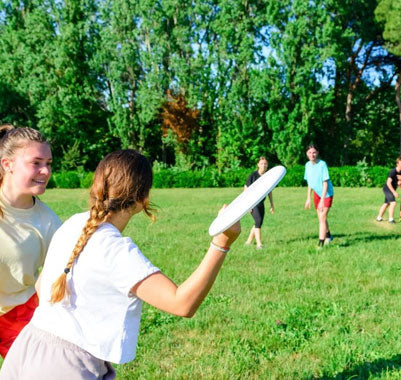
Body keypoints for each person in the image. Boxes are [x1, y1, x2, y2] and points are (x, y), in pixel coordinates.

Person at [0, 149, 241, 379]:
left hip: (26, 347)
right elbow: (182, 304)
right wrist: (221, 242)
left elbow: (43, 286)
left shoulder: (73, 223)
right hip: (66, 368)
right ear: (142, 199)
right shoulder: (116, 250)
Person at [0, 124, 61, 359]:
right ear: (8, 164)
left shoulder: (49, 223)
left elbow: (62, 277)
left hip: (19, 314)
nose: (45, 171)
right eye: (36, 163)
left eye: (48, 164)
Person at [304, 144, 334, 249]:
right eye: (310, 152)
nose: (312, 154)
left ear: (317, 153)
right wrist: (308, 198)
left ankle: (320, 244)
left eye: (314, 152)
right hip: (317, 193)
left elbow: (325, 183)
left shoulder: (322, 164)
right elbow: (310, 183)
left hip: (326, 194)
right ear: (307, 154)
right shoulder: (307, 165)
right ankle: (329, 236)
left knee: (322, 217)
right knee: (321, 218)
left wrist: (322, 200)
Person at [244, 157, 275, 249]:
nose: (263, 165)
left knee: (259, 222)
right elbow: (246, 189)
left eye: (265, 164)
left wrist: (272, 204)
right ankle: (259, 244)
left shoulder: (268, 177)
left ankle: (248, 241)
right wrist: (248, 205)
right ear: (258, 165)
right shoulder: (253, 176)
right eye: (261, 163)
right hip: (253, 203)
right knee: (258, 221)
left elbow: (270, 191)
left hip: (261, 203)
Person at [376, 157, 401, 223]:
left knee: (386, 204)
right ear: (397, 164)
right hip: (387, 189)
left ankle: (379, 217)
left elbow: (398, 182)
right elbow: (388, 183)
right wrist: (394, 192)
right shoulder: (393, 172)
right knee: (393, 203)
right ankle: (391, 219)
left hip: (391, 189)